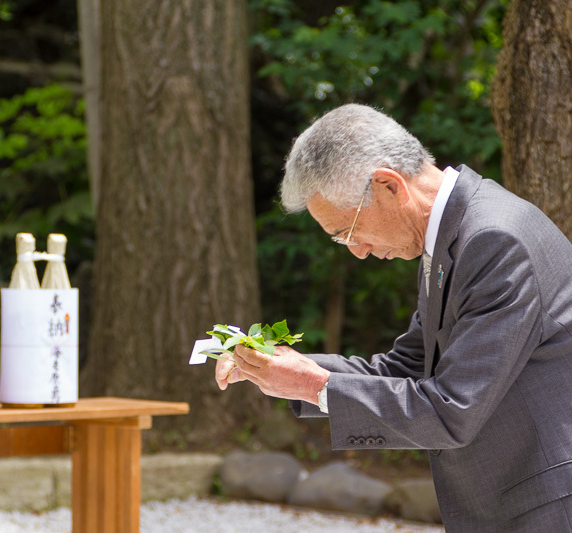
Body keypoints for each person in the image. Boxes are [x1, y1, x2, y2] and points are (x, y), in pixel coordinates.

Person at [215, 103, 572, 532]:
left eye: (347, 232)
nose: (358, 251)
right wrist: (277, 366)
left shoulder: (493, 239)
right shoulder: (452, 234)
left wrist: (312, 384)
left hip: (546, 503)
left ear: (388, 185)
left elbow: (451, 409)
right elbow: (401, 368)